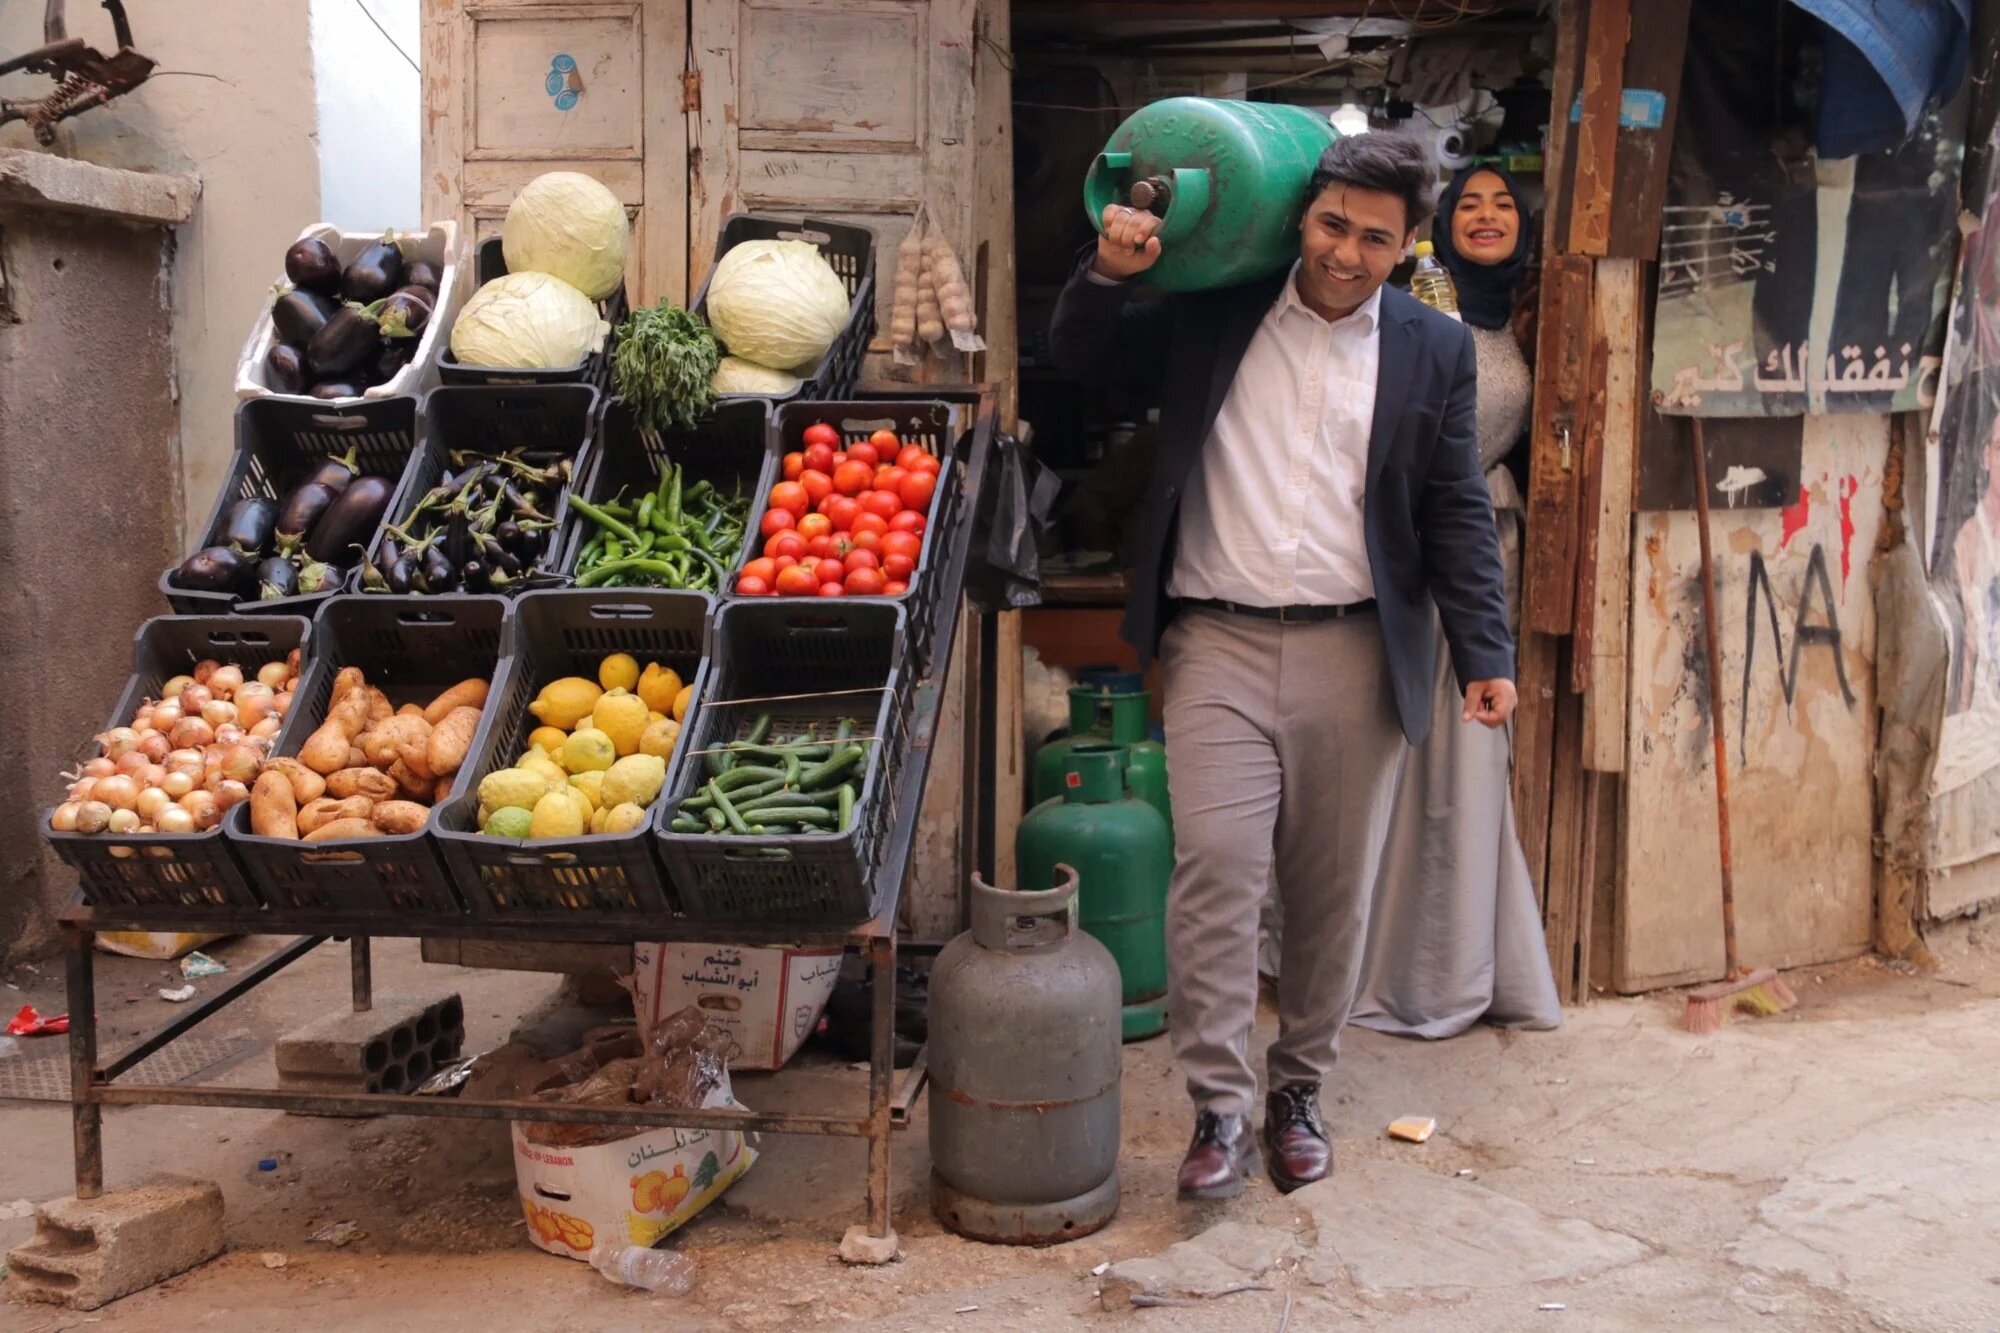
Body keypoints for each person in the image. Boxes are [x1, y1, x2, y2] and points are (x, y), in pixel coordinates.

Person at [1049, 134, 1517, 1199]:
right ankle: (1217, 1108)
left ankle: (1297, 1087)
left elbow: (1452, 510)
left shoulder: (1431, 350)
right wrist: (1111, 271)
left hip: (1358, 646)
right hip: (1212, 635)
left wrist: (1483, 651)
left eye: (1375, 238)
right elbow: (1084, 358)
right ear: (1301, 217)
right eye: (1332, 225)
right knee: (1214, 868)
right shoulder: (1219, 303)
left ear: (1408, 247)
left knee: (1327, 894)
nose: (1346, 253)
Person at [1348, 164, 1562, 1039]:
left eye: (1503, 203)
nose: (1485, 216)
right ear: (1437, 225)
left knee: (1462, 764)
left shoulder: (1531, 316)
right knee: (1384, 744)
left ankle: (1450, 959)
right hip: (1399, 552)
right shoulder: (1407, 309)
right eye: (1467, 203)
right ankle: (1360, 956)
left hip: (1481, 558)